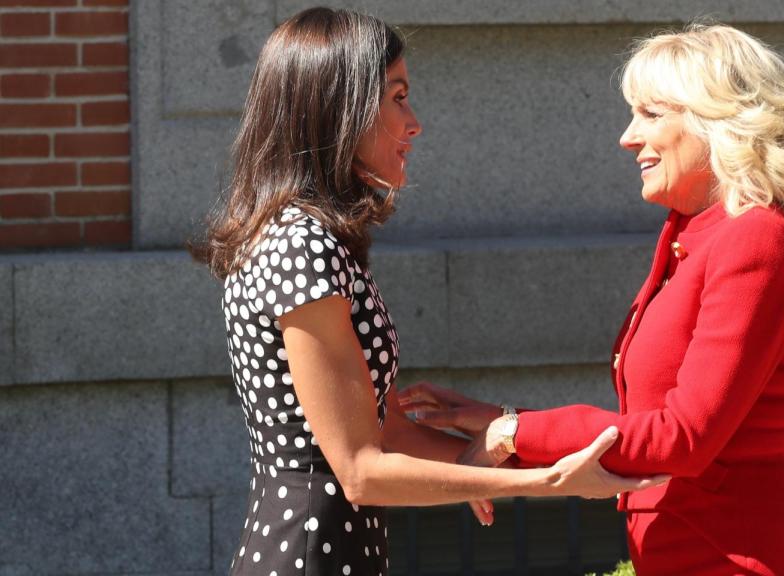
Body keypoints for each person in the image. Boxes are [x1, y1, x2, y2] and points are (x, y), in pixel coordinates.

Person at [189, 7, 666, 576]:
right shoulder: (301, 245)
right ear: (340, 108)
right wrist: (546, 481)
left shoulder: (307, 238)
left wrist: (508, 455)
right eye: (397, 97)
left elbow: (387, 431)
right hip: (309, 553)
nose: (413, 123)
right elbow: (360, 470)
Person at [401, 24, 784, 575]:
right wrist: (503, 421)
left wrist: (513, 435)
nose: (629, 137)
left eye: (651, 114)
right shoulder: (697, 232)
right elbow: (646, 424)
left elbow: (683, 437)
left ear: (716, 120)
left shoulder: (755, 238)